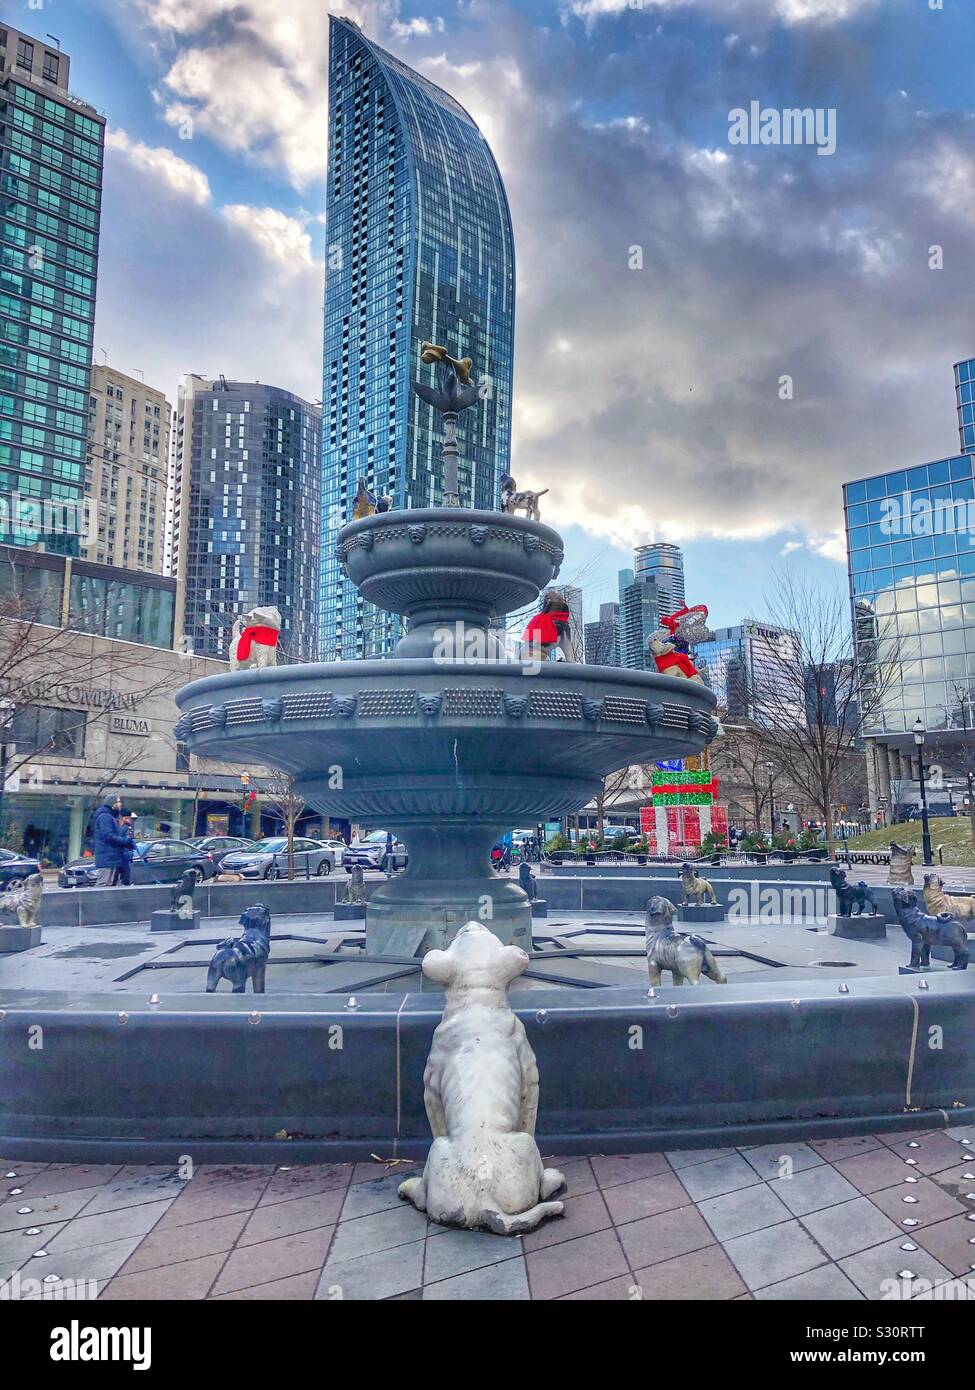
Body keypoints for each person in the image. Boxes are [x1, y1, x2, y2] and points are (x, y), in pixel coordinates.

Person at [92, 795, 130, 887]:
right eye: (118, 801)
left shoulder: (111, 817)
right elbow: (108, 836)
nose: (120, 804)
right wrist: (124, 841)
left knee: (109, 884)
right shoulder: (105, 817)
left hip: (111, 857)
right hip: (107, 857)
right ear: (112, 804)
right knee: (103, 884)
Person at [116, 808, 137, 886]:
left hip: (125, 854)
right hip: (123, 854)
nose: (129, 820)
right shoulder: (124, 827)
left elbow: (128, 839)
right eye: (128, 818)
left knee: (125, 876)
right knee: (124, 876)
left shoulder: (127, 827)